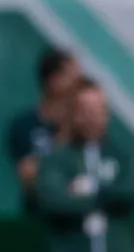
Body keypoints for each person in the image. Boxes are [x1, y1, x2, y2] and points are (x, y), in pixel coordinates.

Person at [36, 77, 134, 252]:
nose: (93, 117)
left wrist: (91, 190)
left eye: (99, 110)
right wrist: (108, 198)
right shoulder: (58, 159)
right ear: (74, 114)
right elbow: (53, 200)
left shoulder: (122, 155)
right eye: (86, 110)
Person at [6, 48, 82, 211]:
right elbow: (29, 179)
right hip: (38, 217)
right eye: (74, 76)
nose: (80, 84)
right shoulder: (24, 126)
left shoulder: (84, 128)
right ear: (54, 80)